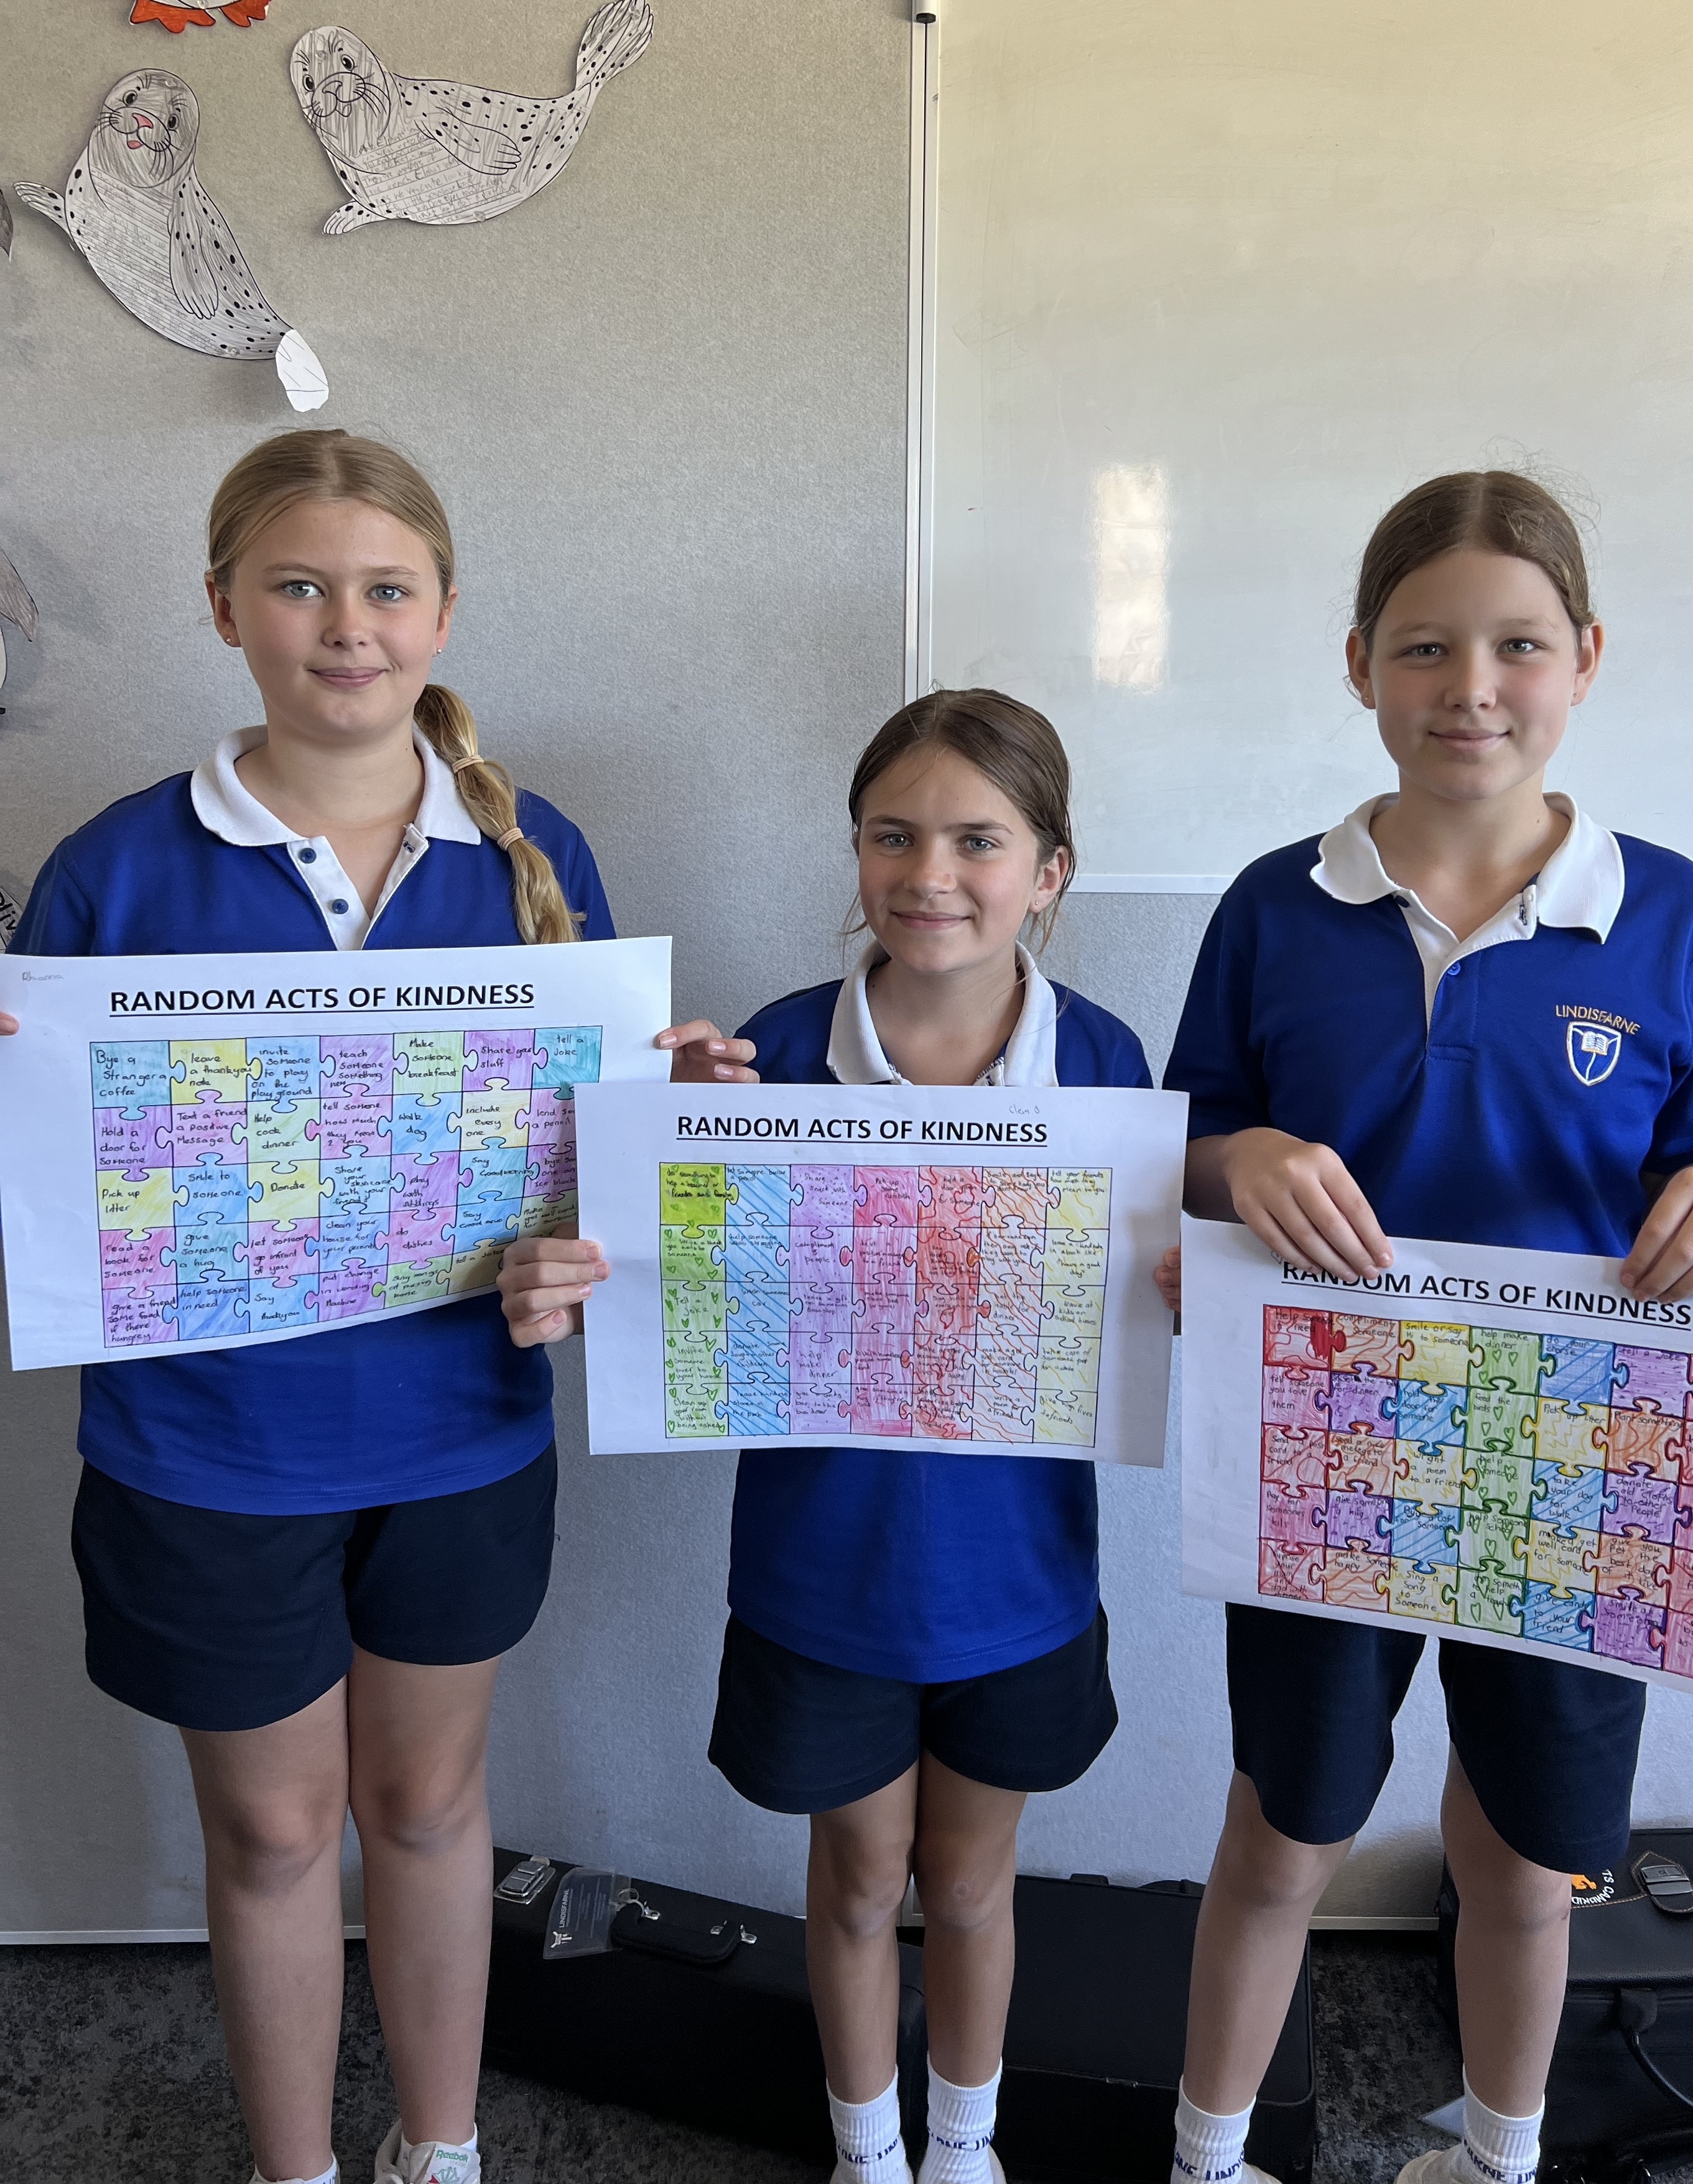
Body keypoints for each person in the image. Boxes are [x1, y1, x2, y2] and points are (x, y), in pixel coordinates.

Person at [1158, 473, 1693, 2184]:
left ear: (1585, 658)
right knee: (1284, 1832)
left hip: (1577, 1459)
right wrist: (1236, 1158)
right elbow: (1185, 1152)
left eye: (1518, 646)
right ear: (1360, 663)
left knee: (1521, 1859)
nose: (1472, 687)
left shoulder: (1668, 912)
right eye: (1426, 647)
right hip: (1328, 1446)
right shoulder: (1277, 905)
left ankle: (1498, 2161)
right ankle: (1208, 2157)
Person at [3, 430, 621, 2184]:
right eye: (298, 586)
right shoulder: (115, 868)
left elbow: (578, 1166)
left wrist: (643, 1165)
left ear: (442, 613)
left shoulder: (536, 853)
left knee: (427, 1808)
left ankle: (442, 2148)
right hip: (206, 1452)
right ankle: (294, 2171)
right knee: (273, 1839)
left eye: (385, 589)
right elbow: (50, 1173)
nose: (346, 626)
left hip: (458, 1436)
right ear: (224, 609)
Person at [499, 688, 1158, 2184]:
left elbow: (1133, 1304)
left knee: (972, 1886)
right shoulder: (767, 1056)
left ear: (1049, 872)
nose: (931, 873)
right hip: (824, 1576)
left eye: (978, 841)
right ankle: (869, 2150)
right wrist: (624, 1191)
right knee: (858, 1882)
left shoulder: (1109, 1064)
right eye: (892, 835)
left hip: (1020, 1580)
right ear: (855, 850)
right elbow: (664, 1292)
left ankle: (965, 2149)